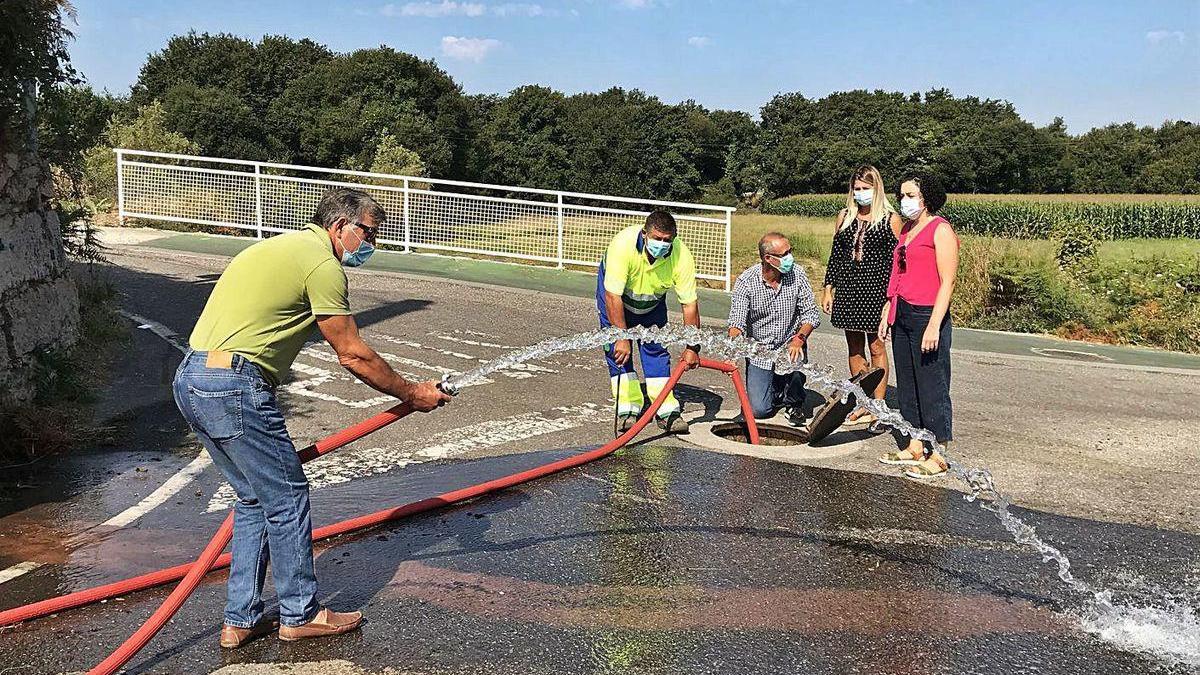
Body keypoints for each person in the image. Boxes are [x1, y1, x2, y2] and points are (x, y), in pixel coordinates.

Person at [174, 188, 452, 648]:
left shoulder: (277, 246)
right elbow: (352, 354)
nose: (371, 244)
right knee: (286, 498)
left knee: (255, 500)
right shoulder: (323, 263)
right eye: (368, 232)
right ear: (339, 226)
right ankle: (300, 614)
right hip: (235, 383)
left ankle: (240, 619)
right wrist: (412, 392)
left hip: (192, 377)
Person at [877, 171, 958, 479]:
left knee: (932, 385)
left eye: (910, 195)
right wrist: (888, 307)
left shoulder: (941, 230)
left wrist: (935, 324)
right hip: (903, 313)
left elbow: (947, 282)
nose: (904, 200)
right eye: (902, 195)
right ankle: (914, 443)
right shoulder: (907, 230)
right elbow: (898, 273)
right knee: (908, 384)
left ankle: (939, 453)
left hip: (928, 315)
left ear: (926, 199)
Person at [598, 210, 701, 434]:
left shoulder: (681, 256)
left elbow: (689, 305)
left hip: (652, 302)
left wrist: (692, 347)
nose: (662, 244)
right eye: (657, 238)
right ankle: (628, 406)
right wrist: (621, 337)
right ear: (645, 234)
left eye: (667, 240)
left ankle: (665, 409)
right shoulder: (622, 246)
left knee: (656, 349)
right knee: (619, 352)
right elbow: (612, 296)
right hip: (617, 299)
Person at [821, 165, 902, 430]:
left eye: (865, 189)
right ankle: (863, 400)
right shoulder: (844, 216)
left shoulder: (891, 219)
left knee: (877, 347)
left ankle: (879, 407)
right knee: (854, 347)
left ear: (876, 189)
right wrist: (828, 288)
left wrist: (892, 298)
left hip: (877, 292)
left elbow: (899, 262)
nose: (860, 193)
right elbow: (836, 255)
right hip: (849, 289)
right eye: (856, 189)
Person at [728, 232, 820, 422]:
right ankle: (776, 387)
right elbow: (737, 323)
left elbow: (811, 314)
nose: (790, 258)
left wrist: (799, 339)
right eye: (784, 254)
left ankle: (795, 401)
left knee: (796, 362)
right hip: (760, 350)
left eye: (790, 251)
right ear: (768, 259)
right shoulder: (746, 282)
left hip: (790, 344)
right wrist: (734, 350)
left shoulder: (797, 274)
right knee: (759, 410)